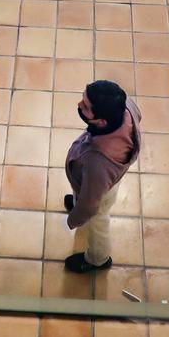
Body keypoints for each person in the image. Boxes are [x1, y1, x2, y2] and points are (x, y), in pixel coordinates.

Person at [63, 79, 142, 274]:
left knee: (97, 221)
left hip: (98, 191)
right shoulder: (125, 108)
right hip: (103, 181)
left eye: (86, 107)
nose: (79, 105)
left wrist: (75, 218)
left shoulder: (97, 162)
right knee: (84, 200)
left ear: (101, 122)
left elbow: (91, 203)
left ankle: (98, 259)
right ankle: (77, 202)